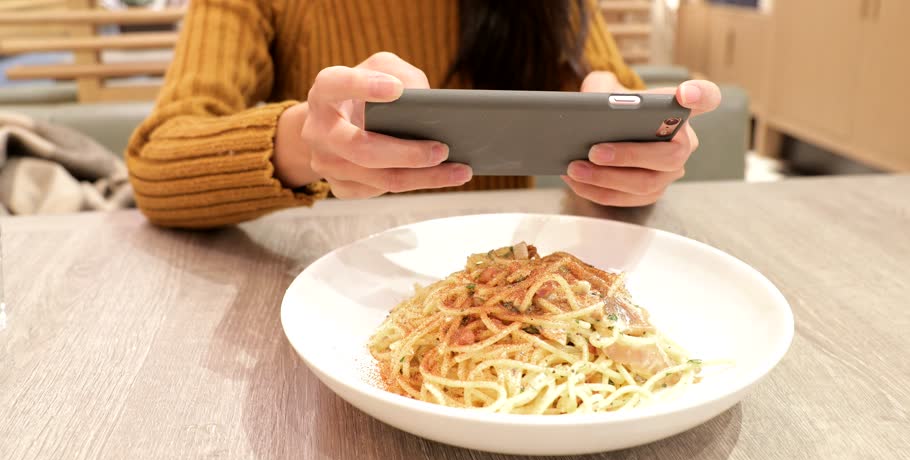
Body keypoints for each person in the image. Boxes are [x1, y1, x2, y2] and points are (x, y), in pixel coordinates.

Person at [127, 0, 721, 228]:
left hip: (514, 278)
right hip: (334, 282)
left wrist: (641, 156)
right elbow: (155, 162)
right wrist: (305, 146)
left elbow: (619, 106)